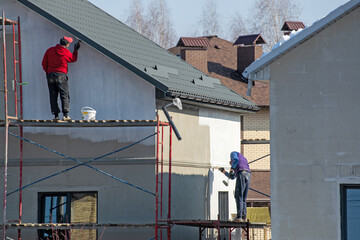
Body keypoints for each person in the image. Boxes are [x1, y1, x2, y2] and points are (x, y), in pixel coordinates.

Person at [42, 36, 80, 121]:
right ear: (66, 44)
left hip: (50, 75)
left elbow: (44, 63)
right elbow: (73, 59)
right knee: (64, 95)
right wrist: (75, 50)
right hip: (61, 75)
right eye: (69, 43)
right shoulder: (65, 52)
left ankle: (55, 116)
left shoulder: (50, 50)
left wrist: (48, 72)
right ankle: (65, 115)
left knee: (53, 95)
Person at [219, 151, 251, 222]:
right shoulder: (243, 161)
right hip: (248, 175)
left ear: (231, 161)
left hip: (242, 174)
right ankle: (243, 217)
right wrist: (224, 172)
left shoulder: (233, 154)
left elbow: (236, 160)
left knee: (238, 195)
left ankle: (239, 217)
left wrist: (232, 168)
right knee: (243, 198)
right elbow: (232, 177)